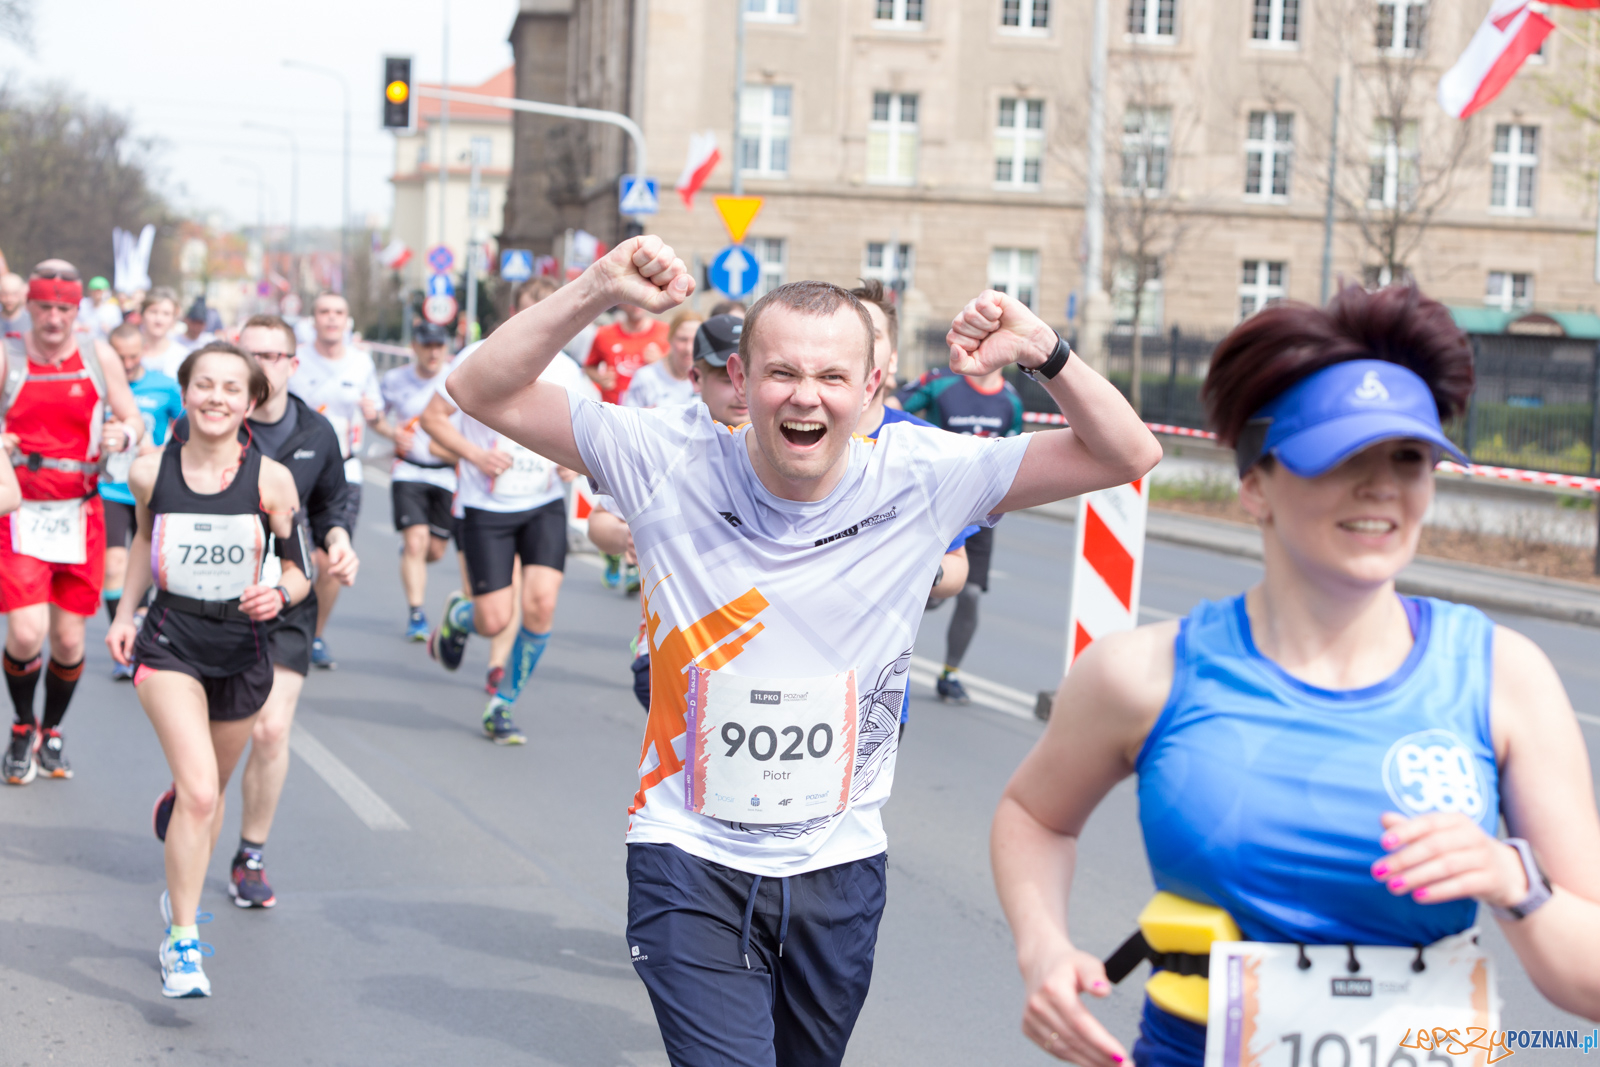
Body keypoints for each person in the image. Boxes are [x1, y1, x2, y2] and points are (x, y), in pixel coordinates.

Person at [448, 235, 1160, 1066]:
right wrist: (598, 286)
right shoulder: (663, 458)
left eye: (831, 377)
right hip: (689, 853)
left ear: (870, 389)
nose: (805, 398)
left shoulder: (923, 474)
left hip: (841, 866)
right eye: (782, 373)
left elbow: (1129, 452)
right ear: (741, 383)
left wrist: (1045, 351)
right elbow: (477, 387)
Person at [992, 285, 1600, 1067]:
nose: (1381, 486)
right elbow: (1034, 815)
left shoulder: (1502, 675)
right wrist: (1043, 948)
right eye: (1344, 456)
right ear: (1256, 484)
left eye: (1408, 458)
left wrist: (1514, 878)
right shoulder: (1143, 674)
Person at [106, 342, 311, 998]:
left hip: (245, 646)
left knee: (208, 794)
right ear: (185, 392)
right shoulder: (149, 472)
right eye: (204, 385)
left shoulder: (272, 479)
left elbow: (297, 571)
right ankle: (184, 940)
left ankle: (182, 868)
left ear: (250, 402)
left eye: (230, 388)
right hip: (170, 640)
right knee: (200, 794)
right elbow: (144, 538)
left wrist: (278, 593)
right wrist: (124, 613)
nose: (216, 397)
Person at [152, 314, 359, 910]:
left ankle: (250, 854)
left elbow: (332, 505)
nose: (263, 364)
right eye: (252, 354)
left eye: (275, 355)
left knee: (271, 729)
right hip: (206, 611)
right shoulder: (202, 426)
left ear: (292, 365)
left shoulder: (317, 432)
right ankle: (196, 792)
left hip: (284, 600)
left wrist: (339, 543)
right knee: (213, 768)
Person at [419, 295, 590, 745]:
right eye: (534, 310)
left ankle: (503, 704)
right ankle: (460, 614)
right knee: (494, 619)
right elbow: (433, 419)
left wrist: (577, 461)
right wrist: (475, 455)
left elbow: (591, 433)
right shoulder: (477, 357)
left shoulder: (568, 370)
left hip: (543, 503)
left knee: (540, 605)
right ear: (516, 312)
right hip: (486, 508)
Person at [1, 260, 146, 785]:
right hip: (20, 514)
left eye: (64, 309)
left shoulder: (96, 354)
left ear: (77, 309)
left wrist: (123, 437)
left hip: (79, 511)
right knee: (26, 629)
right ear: (30, 307)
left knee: (67, 642)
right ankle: (21, 726)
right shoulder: (9, 355)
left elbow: (133, 418)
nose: (55, 319)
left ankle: (51, 731)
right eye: (46, 308)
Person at [849, 280, 974, 736]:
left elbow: (955, 569)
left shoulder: (927, 449)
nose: (859, 346)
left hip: (872, 697)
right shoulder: (789, 434)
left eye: (873, 336)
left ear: (893, 359)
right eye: (848, 332)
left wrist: (920, 567)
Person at [895, 347, 1025, 706]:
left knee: (968, 593)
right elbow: (890, 406)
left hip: (980, 512)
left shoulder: (1011, 401)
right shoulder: (941, 383)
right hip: (933, 504)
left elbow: (1013, 453)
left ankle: (950, 674)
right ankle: (888, 661)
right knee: (924, 595)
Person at [289, 291, 390, 669]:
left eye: (338, 313)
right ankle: (285, 623)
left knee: (331, 558)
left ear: (347, 321)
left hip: (345, 471)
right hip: (298, 470)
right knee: (295, 554)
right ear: (313, 319)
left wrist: (375, 415)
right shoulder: (296, 361)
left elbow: (377, 415)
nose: (331, 319)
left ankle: (314, 634)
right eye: (323, 312)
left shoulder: (361, 362)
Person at [99, 323, 185, 679]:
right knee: (115, 563)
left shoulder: (164, 386)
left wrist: (161, 450)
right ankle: (123, 639)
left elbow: (187, 430)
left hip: (150, 488)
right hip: (111, 488)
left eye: (135, 356)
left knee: (152, 563)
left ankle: (144, 632)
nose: (129, 363)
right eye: (121, 357)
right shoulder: (99, 384)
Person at [381, 321, 457, 640]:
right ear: (415, 347)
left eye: (439, 345)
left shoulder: (458, 377)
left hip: (446, 473)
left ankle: (413, 557)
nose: (433, 352)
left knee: (435, 550)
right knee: (415, 541)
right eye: (427, 345)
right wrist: (391, 433)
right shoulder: (395, 380)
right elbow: (376, 417)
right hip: (408, 469)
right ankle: (417, 613)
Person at [583, 301, 668, 405]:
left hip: (650, 408)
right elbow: (588, 367)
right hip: (614, 408)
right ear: (620, 303)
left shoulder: (666, 332)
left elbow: (681, 372)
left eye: (640, 298)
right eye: (631, 299)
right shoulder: (604, 334)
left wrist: (661, 362)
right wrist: (600, 378)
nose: (637, 304)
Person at [623, 309, 701, 410]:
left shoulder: (709, 380)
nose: (689, 349)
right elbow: (628, 419)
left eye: (695, 340)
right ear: (670, 338)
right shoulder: (646, 377)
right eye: (682, 339)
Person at [138, 288, 184, 378]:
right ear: (142, 314)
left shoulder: (181, 356)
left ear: (173, 319)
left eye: (166, 314)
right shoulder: (127, 352)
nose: (159, 319)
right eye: (153, 312)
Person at [1, 272, 32, 336]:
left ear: (21, 295)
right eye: (4, 294)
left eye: (14, 294)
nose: (9, 299)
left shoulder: (32, 321)